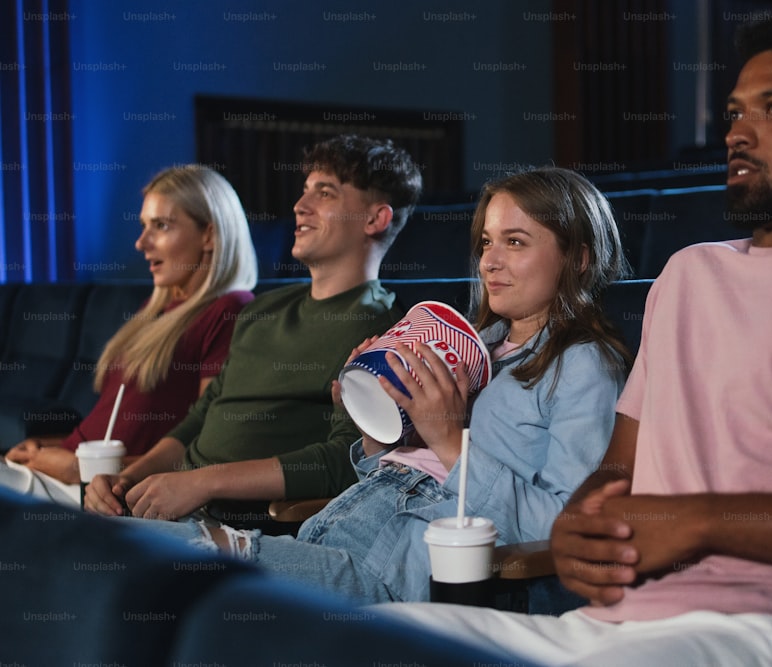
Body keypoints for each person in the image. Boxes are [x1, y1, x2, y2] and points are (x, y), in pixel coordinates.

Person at [376, 10, 772, 666]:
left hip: (768, 622)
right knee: (370, 637)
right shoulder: (688, 272)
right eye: (734, 112)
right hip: (611, 618)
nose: (737, 132)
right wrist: (577, 530)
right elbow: (619, 468)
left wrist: (700, 520)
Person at [140, 166, 632, 603]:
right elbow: (396, 466)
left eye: (516, 242)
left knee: (179, 563)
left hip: (399, 571)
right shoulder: (476, 345)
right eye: (486, 241)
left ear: (579, 258)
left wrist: (446, 439)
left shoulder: (584, 364)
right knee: (140, 549)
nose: (489, 262)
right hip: (340, 527)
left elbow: (563, 527)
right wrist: (374, 425)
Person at [83, 134, 423, 524]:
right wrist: (123, 482)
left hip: (237, 522)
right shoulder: (263, 308)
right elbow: (200, 417)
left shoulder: (385, 333)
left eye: (324, 193)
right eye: (304, 191)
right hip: (168, 506)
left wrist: (204, 483)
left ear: (375, 219)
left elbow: (348, 461)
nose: (300, 206)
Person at [1, 165, 257, 505]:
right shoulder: (155, 307)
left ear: (209, 235)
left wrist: (81, 469)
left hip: (102, 491)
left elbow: (206, 449)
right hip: (68, 474)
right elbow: (110, 428)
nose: (141, 243)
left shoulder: (231, 308)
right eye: (143, 227)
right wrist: (46, 447)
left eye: (161, 226)